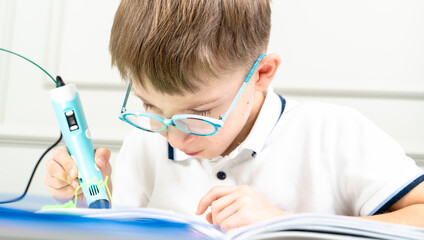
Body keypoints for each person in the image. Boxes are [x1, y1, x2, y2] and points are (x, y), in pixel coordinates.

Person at [44, 0, 424, 230]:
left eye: (201, 112)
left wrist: (287, 226)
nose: (174, 137)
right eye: (150, 106)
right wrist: (89, 196)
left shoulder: (334, 135)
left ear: (261, 74)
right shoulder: (146, 142)